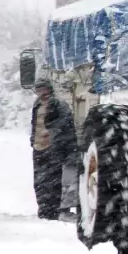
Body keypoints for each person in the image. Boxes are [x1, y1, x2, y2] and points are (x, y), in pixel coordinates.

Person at [30, 79, 80, 222]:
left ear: (49, 89)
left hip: (54, 148)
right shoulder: (37, 105)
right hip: (39, 148)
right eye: (39, 90)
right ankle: (44, 210)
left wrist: (53, 134)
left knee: (53, 181)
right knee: (40, 182)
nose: (41, 93)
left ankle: (53, 210)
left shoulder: (59, 104)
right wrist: (33, 140)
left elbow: (66, 123)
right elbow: (34, 124)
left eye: (44, 89)